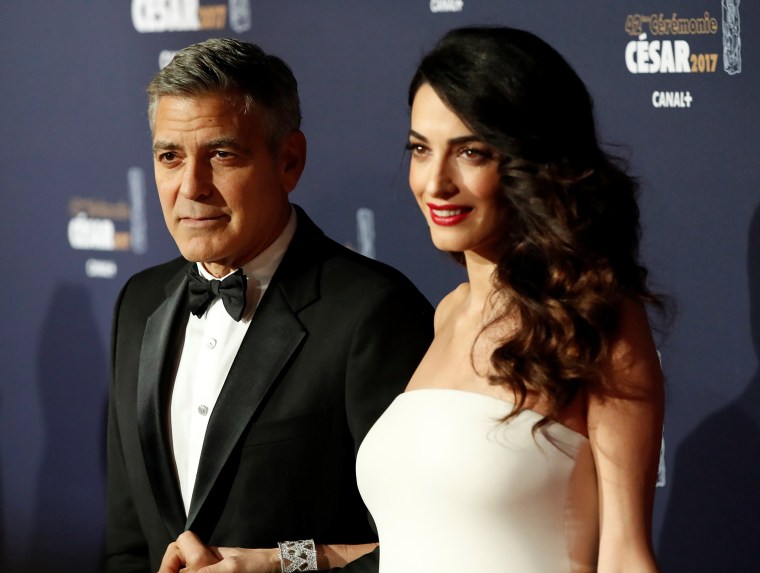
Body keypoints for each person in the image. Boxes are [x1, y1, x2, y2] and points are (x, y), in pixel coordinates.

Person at [106, 38, 433, 573]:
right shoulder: (139, 301)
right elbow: (125, 539)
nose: (192, 187)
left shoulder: (373, 314)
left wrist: (286, 563)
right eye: (170, 157)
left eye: (222, 154)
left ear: (289, 160)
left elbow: (423, 545)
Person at [354, 26, 666, 572]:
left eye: (470, 152)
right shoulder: (447, 314)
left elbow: (625, 557)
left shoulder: (596, 319)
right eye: (420, 150)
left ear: (530, 162)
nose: (435, 182)